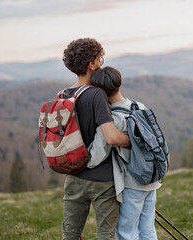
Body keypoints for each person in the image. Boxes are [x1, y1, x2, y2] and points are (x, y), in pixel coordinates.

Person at [61, 38, 130, 240]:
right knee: (106, 235)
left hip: (73, 176)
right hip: (102, 179)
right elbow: (110, 136)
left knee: (70, 234)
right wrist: (134, 141)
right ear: (92, 64)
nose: (102, 63)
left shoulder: (63, 94)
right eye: (100, 59)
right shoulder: (97, 94)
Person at [88, 66, 161, 240]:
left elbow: (95, 155)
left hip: (131, 183)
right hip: (152, 179)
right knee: (148, 230)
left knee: (126, 233)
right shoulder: (139, 106)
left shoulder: (112, 119)